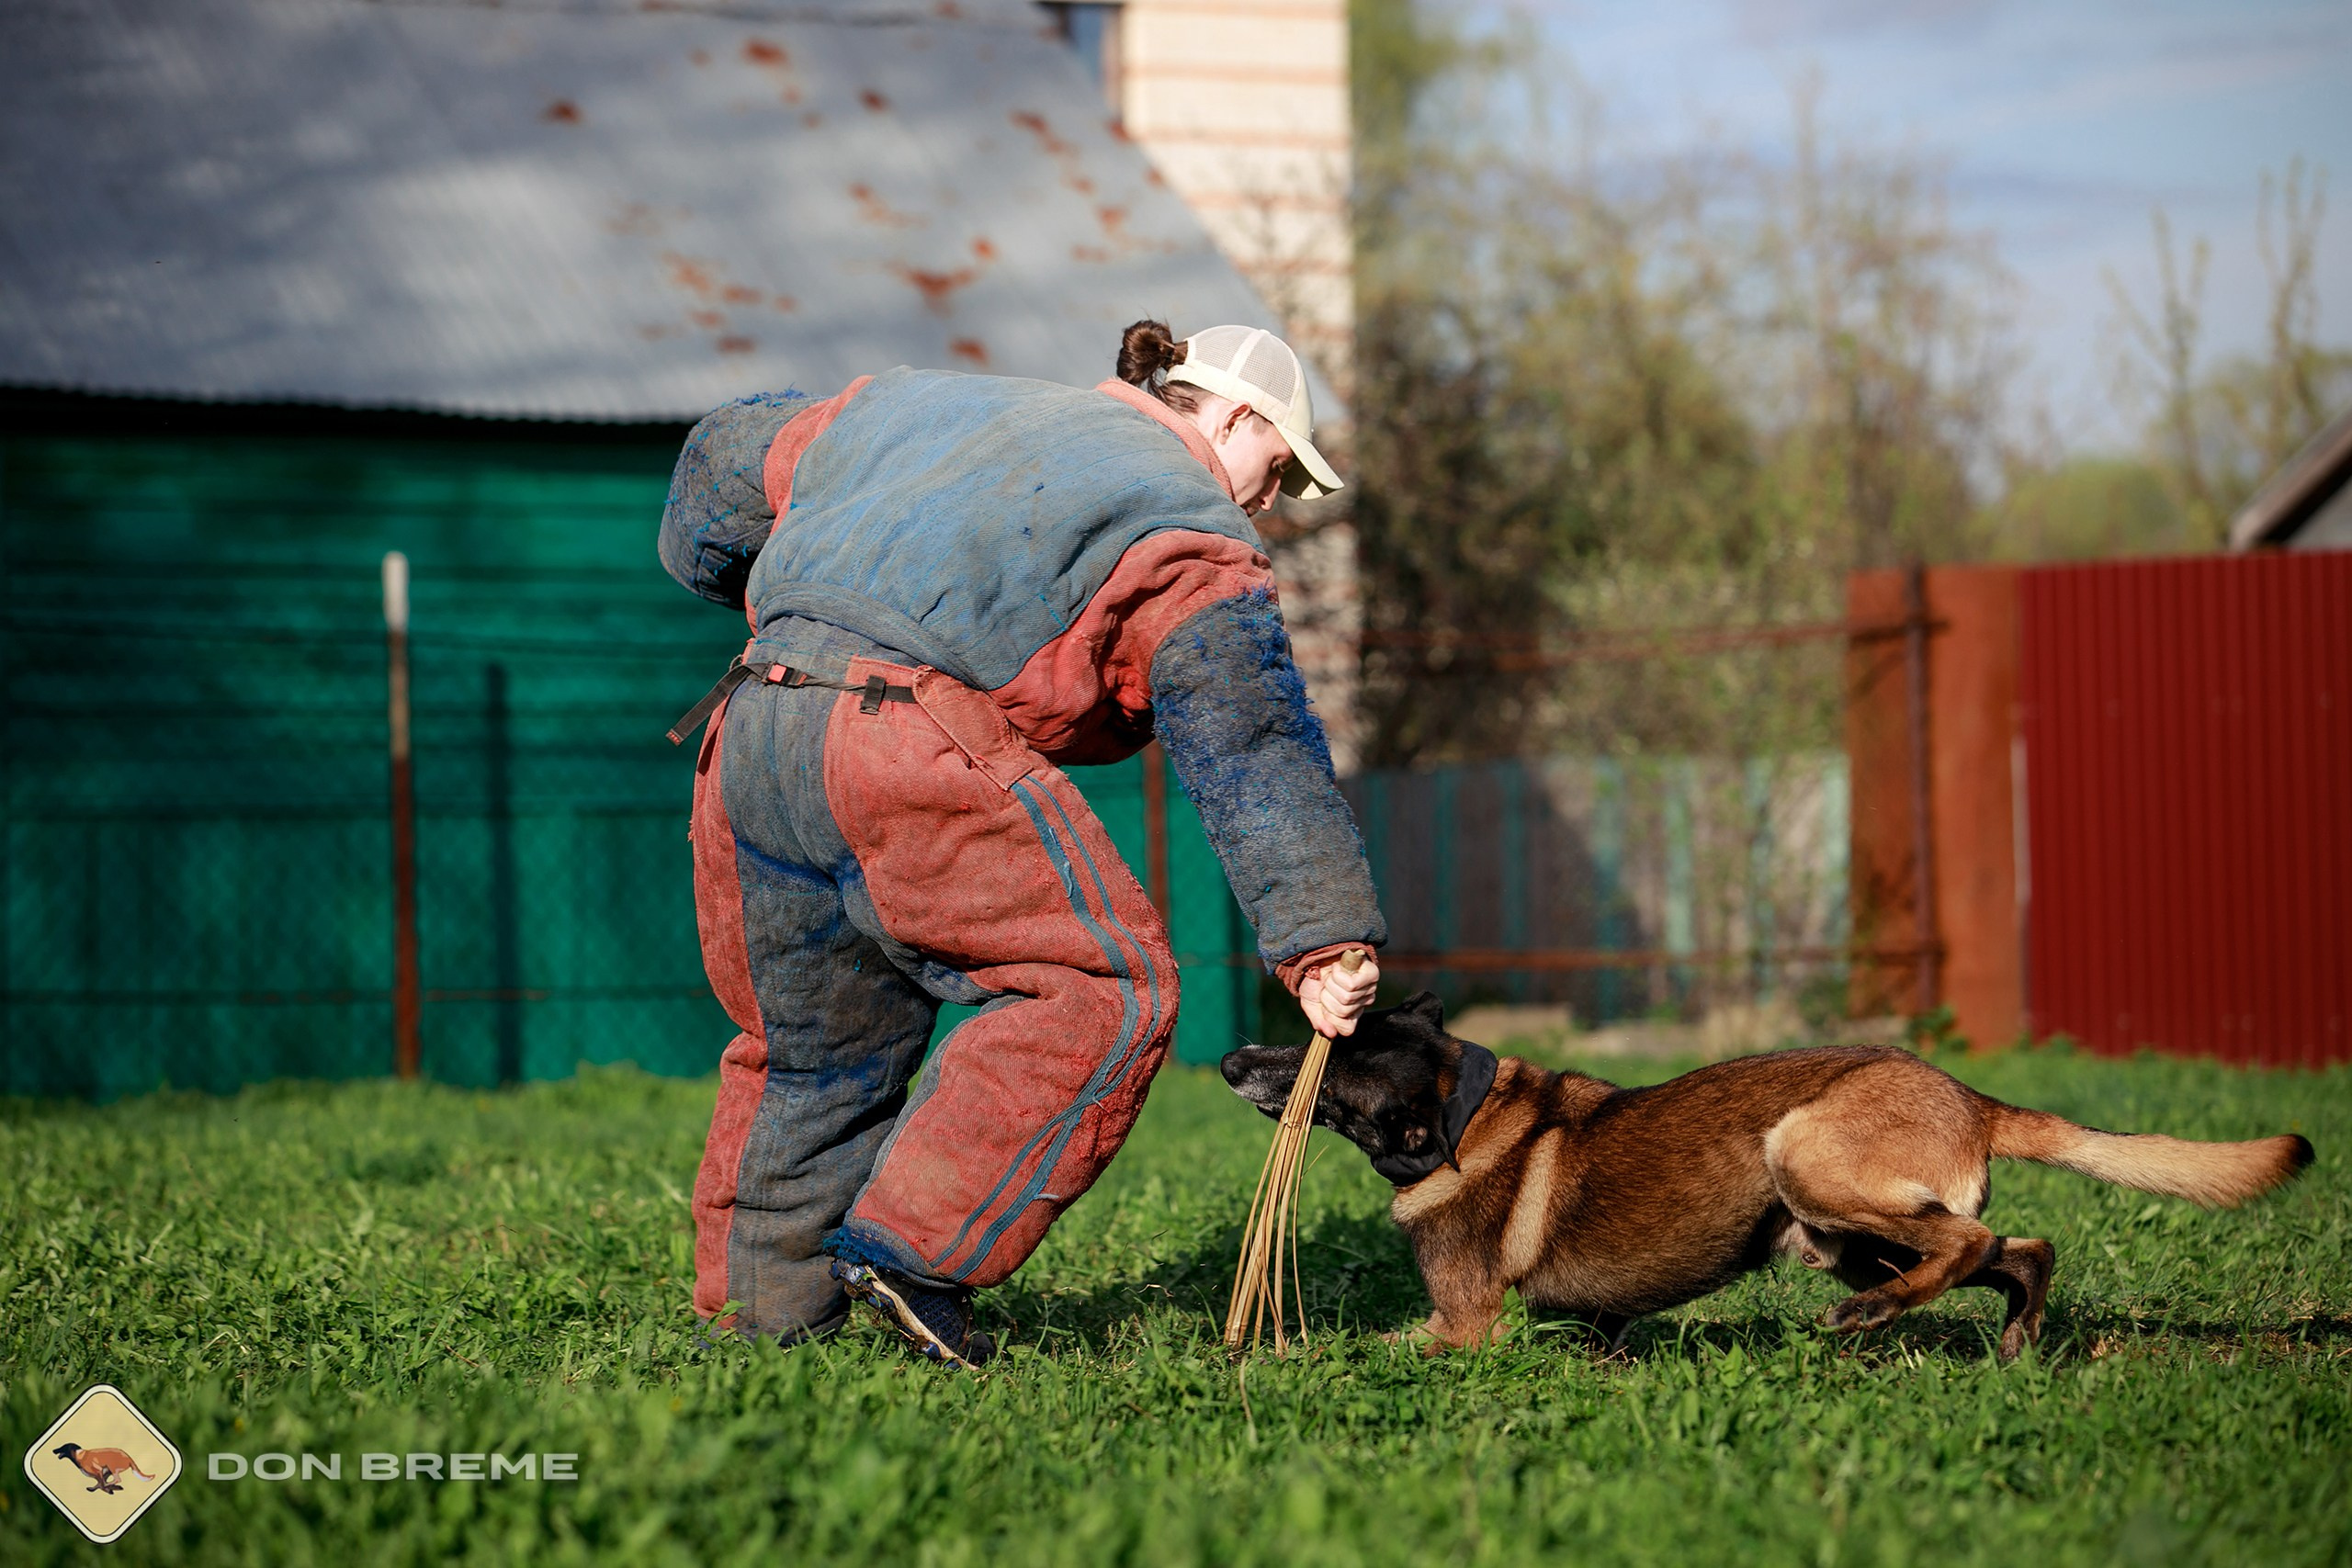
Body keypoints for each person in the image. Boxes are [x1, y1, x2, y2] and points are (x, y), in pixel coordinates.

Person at [659, 321, 1385, 1368]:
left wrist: (750, 586)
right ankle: (913, 1254)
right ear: (1231, 416)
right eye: (1274, 470)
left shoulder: (908, 401)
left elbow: (723, 456)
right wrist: (1322, 939)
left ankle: (760, 1319)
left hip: (753, 727)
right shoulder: (1185, 524)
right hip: (904, 740)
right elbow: (1252, 739)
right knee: (1106, 987)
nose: (1266, 503)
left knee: (810, 1053)